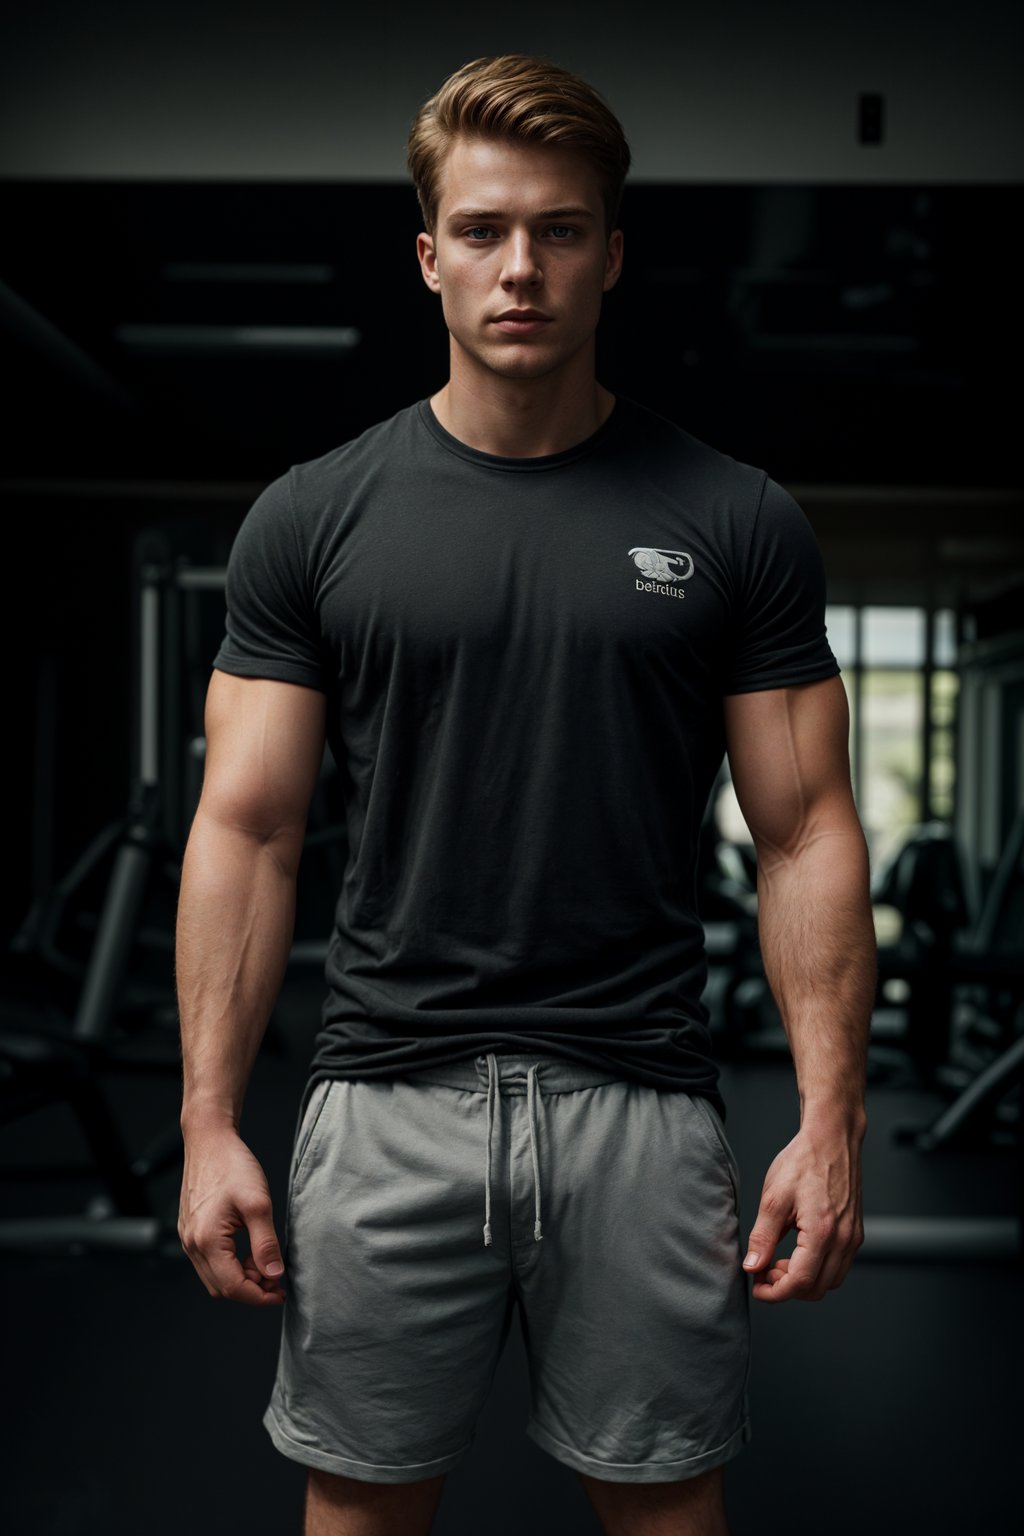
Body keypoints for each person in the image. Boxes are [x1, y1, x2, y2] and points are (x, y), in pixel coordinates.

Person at [176, 53, 876, 1536]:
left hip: (640, 1104)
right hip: (383, 1102)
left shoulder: (732, 520)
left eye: (560, 232)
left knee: (669, 1511)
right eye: (485, 231)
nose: (521, 268)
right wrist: (207, 1119)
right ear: (429, 258)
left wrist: (833, 1120)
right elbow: (248, 828)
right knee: (359, 1511)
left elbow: (807, 829)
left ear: (610, 258)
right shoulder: (312, 520)